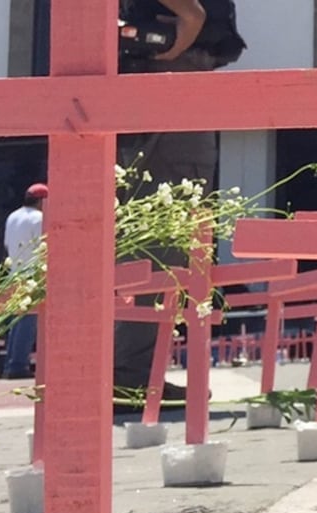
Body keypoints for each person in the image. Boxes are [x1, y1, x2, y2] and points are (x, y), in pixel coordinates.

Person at [114, 0, 246, 405]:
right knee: (164, 231)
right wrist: (192, 17)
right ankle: (129, 377)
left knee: (164, 228)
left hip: (170, 65)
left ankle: (130, 373)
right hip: (171, 66)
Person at [2, 183, 47, 379]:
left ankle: (10, 362)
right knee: (28, 321)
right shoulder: (39, 218)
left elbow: (6, 244)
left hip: (14, 273)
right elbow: (44, 246)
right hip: (33, 274)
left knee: (16, 321)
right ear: (42, 201)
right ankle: (18, 365)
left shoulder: (12, 216)